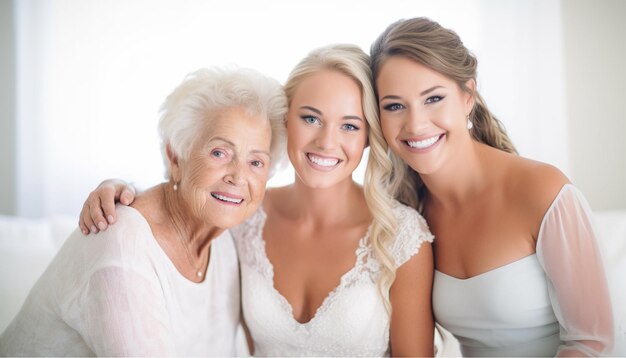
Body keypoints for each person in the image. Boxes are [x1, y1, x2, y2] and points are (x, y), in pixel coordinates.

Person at [76, 44, 435, 357]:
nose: (327, 142)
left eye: (350, 126)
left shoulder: (401, 236)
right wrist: (120, 190)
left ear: (370, 136)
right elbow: (187, 194)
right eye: (311, 118)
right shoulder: (242, 216)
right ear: (284, 120)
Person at [0, 67, 287, 356]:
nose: (238, 176)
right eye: (219, 153)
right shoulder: (122, 249)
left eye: (256, 162)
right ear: (176, 158)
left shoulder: (225, 238)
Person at [369, 17, 613, 356]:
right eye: (394, 106)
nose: (416, 123)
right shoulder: (409, 215)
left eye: (433, 98)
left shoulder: (542, 191)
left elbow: (592, 342)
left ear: (467, 96)